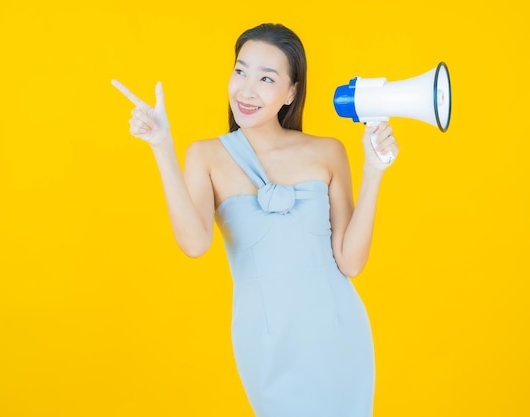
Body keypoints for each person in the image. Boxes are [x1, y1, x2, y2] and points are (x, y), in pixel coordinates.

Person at [112, 22, 398, 417]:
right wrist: (162, 146)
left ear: (291, 92)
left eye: (267, 78)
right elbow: (195, 244)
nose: (246, 90)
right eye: (240, 71)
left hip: (337, 335)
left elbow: (350, 261)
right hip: (266, 342)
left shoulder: (328, 152)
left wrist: (375, 170)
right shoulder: (206, 156)